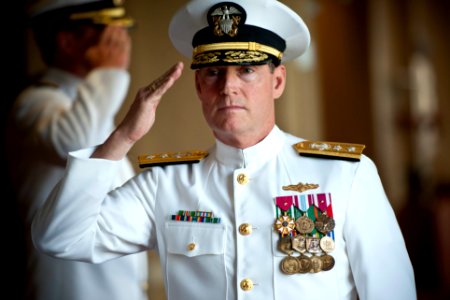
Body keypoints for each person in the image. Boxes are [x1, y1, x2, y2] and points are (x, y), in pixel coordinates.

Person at [31, 0, 417, 299]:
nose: (228, 86)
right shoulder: (164, 185)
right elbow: (60, 237)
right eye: (214, 72)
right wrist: (122, 138)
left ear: (277, 81)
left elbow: (391, 291)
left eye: (246, 70)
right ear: (199, 87)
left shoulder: (346, 173)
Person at [6, 0, 149, 299]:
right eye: (108, 34)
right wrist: (109, 72)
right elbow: (78, 146)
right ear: (67, 41)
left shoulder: (90, 104)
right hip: (73, 288)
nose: (121, 43)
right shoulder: (36, 102)